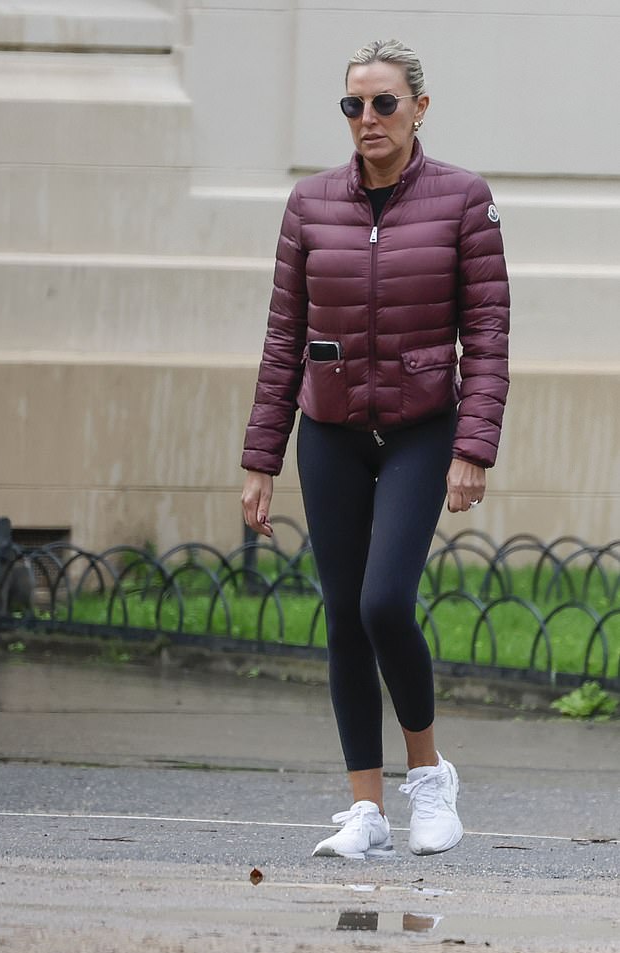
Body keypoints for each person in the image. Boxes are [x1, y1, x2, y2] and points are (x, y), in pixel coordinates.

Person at [241, 38, 509, 859]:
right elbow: (284, 335)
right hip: (330, 432)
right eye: (354, 106)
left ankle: (429, 776)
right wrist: (261, 456)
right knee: (343, 620)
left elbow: (488, 332)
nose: (368, 120)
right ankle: (367, 807)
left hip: (423, 428)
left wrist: (475, 446)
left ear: (419, 108)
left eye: (384, 103)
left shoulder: (464, 199)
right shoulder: (310, 204)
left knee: (383, 601)